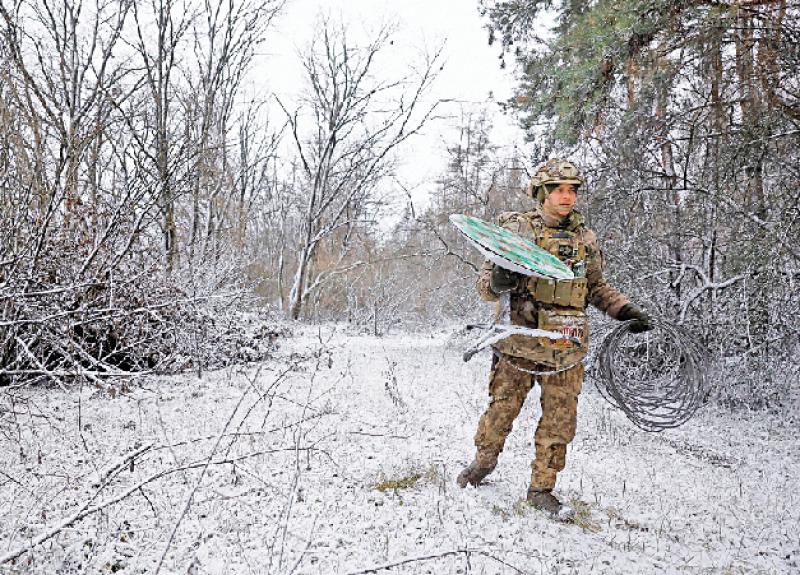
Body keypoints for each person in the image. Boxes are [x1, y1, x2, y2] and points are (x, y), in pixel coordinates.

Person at [456, 158, 652, 517]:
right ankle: (483, 462)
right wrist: (499, 280)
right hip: (518, 344)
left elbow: (595, 287)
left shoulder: (585, 239)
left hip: (565, 347)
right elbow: (485, 288)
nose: (566, 196)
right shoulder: (516, 230)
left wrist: (625, 311)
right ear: (542, 193)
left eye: (572, 190)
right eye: (558, 190)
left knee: (560, 421)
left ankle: (541, 488)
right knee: (501, 410)